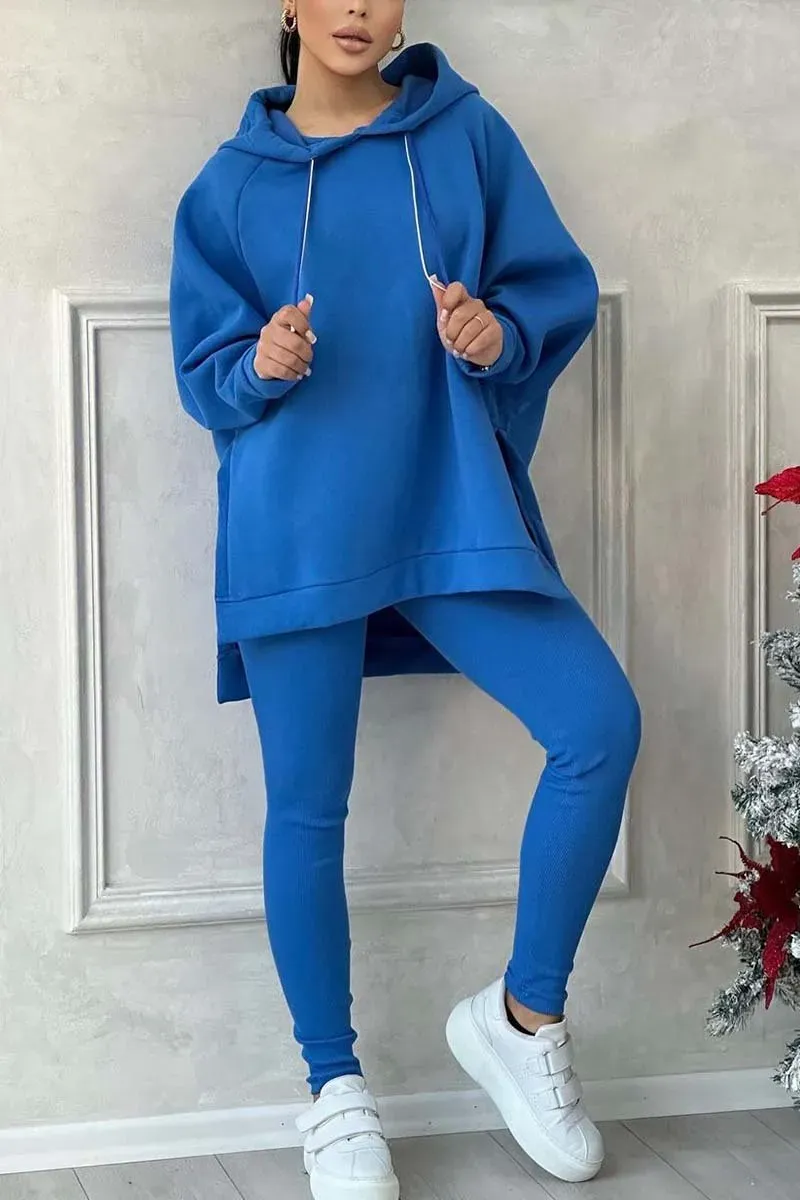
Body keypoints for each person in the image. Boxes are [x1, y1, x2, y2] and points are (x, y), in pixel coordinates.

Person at [169, 2, 642, 1196]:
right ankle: (333, 1091)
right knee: (306, 809)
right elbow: (203, 373)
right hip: (295, 529)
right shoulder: (228, 186)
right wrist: (255, 366)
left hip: (445, 504)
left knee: (597, 725)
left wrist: (495, 335)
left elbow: (547, 294)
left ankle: (523, 1019)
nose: (356, 8)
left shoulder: (464, 135)